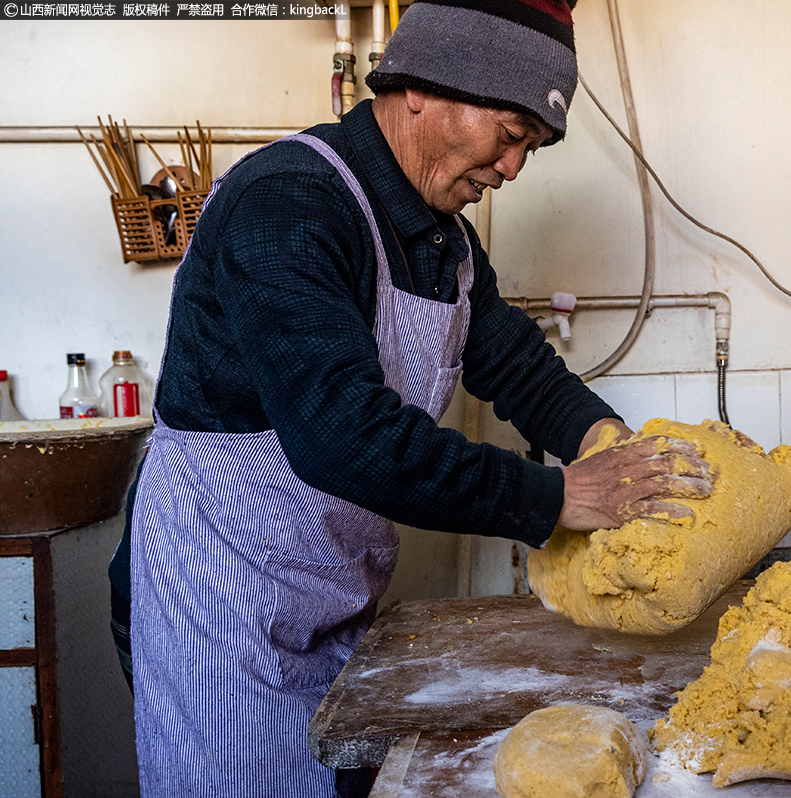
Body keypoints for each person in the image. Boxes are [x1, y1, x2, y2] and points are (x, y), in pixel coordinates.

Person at [106, 1, 715, 795]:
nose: (513, 171)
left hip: (328, 591)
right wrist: (561, 496)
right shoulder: (288, 203)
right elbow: (341, 433)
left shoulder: (445, 241)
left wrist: (604, 442)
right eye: (510, 136)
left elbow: (516, 366)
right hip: (220, 602)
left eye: (530, 148)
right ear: (427, 86)